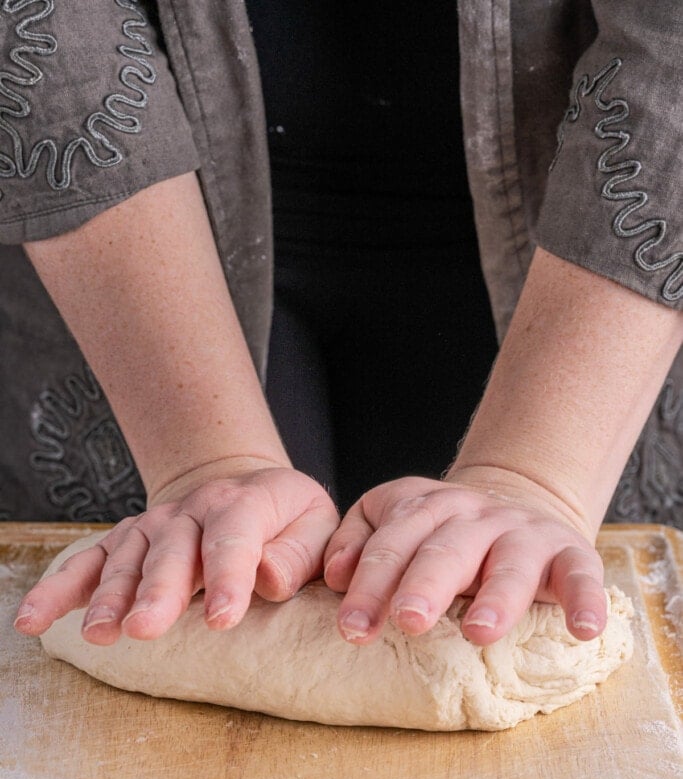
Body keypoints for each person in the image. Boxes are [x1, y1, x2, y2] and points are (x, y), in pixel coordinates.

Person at [5, 0, 682, 651]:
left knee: (517, 594)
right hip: (140, 251)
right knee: (197, 589)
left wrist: (536, 480)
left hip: (574, 257)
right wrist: (201, 464)